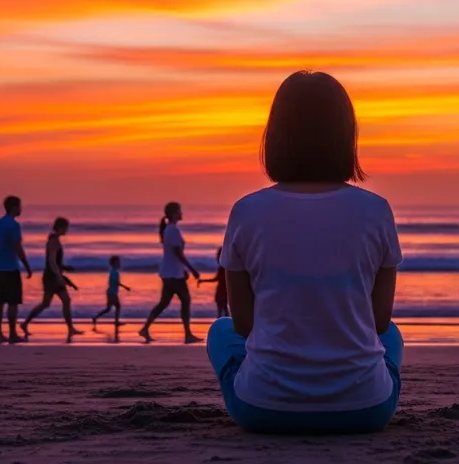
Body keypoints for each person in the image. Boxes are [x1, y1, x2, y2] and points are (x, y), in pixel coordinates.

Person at [206, 71, 404, 434]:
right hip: (365, 408)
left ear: (276, 136)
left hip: (263, 408)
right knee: (392, 336)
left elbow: (244, 324)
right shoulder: (376, 210)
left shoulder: (247, 211)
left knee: (220, 333)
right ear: (347, 136)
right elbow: (378, 322)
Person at [139, 202, 202, 344]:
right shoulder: (173, 230)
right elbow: (178, 254)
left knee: (164, 302)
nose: (182, 213)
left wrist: (183, 270)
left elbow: (174, 255)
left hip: (171, 272)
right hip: (173, 274)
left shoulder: (169, 229)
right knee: (185, 300)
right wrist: (192, 270)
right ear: (174, 214)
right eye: (179, 211)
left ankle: (145, 328)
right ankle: (187, 334)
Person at [21, 217, 84, 340]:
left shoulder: (54, 240)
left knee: (52, 302)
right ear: (61, 228)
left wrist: (64, 267)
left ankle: (25, 323)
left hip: (52, 275)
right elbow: (51, 261)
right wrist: (59, 276)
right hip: (52, 277)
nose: (67, 230)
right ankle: (70, 328)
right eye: (66, 228)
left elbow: (54, 261)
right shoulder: (54, 241)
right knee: (59, 301)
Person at [0, 195, 32, 344]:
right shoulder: (13, 225)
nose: (21, 209)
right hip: (10, 267)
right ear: (14, 207)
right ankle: (13, 333)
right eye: (20, 206)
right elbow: (17, 247)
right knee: (13, 302)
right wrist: (26, 265)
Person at [92, 255, 130, 330]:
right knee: (117, 306)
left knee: (109, 309)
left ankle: (95, 317)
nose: (119, 264)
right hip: (112, 293)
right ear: (114, 264)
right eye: (118, 262)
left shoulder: (114, 272)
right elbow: (116, 282)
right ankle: (116, 322)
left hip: (111, 292)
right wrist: (125, 287)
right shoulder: (114, 272)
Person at [198, 247, 229, 318]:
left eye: (218, 255)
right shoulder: (226, 268)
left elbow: (216, 279)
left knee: (221, 308)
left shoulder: (222, 269)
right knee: (224, 308)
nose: (216, 257)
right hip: (225, 290)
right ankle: (226, 323)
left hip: (221, 290)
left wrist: (203, 281)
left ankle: (222, 323)